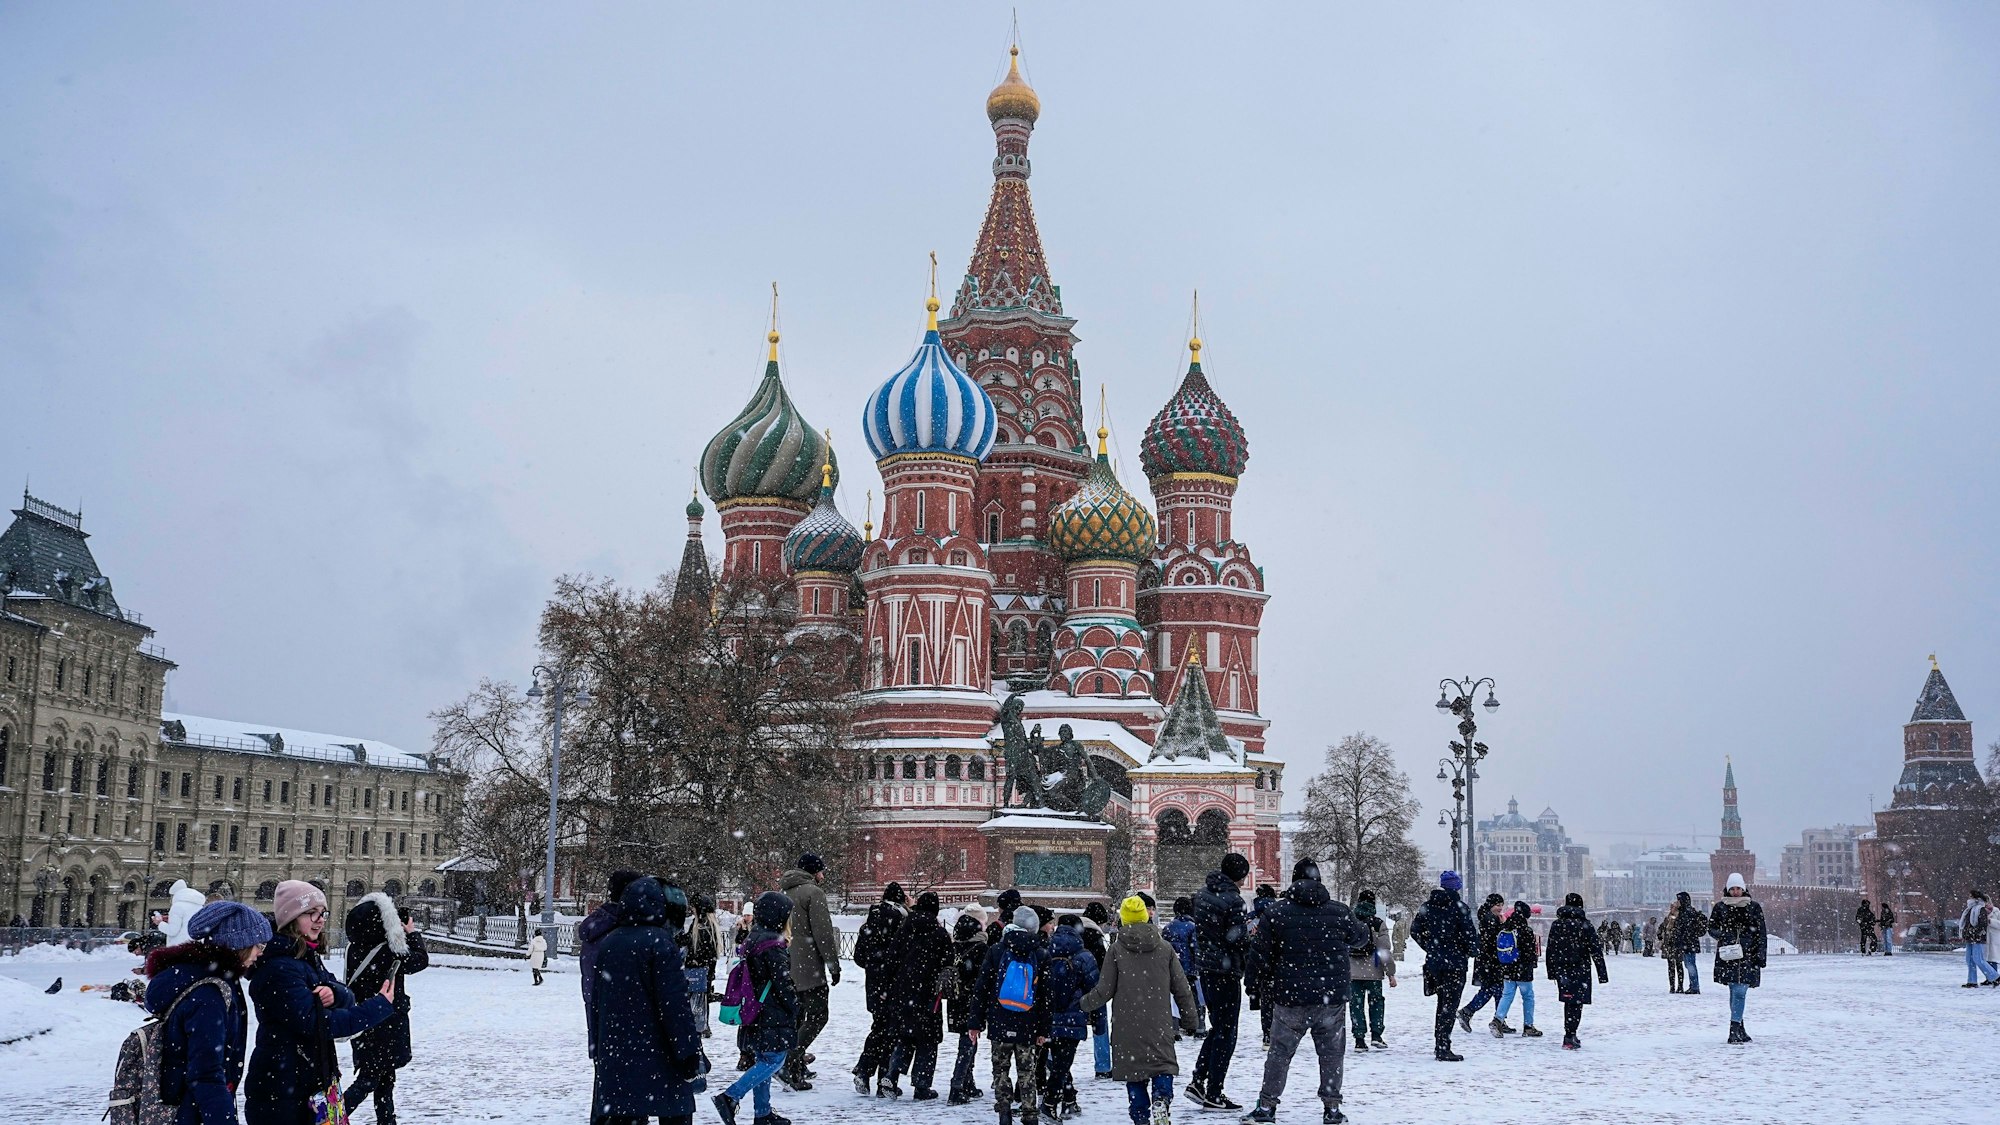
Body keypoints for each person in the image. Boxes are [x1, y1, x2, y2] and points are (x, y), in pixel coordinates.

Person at [244, 880, 394, 1125]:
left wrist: (334, 994)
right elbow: (317, 1023)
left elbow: (345, 994)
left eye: (322, 913)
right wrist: (375, 1008)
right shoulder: (279, 966)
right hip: (284, 1089)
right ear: (291, 918)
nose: (320, 919)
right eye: (310, 913)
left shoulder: (305, 955)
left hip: (316, 1082)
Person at [1242, 860, 1368, 1125]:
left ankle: (1267, 1106)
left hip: (1290, 996)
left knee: (1279, 1054)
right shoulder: (1339, 911)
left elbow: (1259, 953)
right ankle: (1332, 1108)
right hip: (1330, 997)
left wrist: (1252, 984)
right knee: (1331, 1054)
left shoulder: (1276, 913)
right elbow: (1360, 938)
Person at [144, 900, 272, 1125]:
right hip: (190, 1112)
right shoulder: (209, 994)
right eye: (259, 945)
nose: (261, 953)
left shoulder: (208, 979)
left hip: (185, 1107)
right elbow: (206, 1073)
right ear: (238, 944)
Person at [591, 877, 707, 1125]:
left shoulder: (610, 942)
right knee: (674, 1112)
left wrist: (597, 1047)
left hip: (618, 1054)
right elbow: (675, 1006)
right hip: (660, 1052)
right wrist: (688, 1053)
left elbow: (597, 1003)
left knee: (625, 1113)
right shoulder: (660, 943)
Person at [1082, 897, 1196, 1125]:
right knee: (1161, 1064)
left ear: (1123, 918)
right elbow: (1181, 987)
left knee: (1134, 1073)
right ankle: (1162, 1099)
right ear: (1146, 915)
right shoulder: (1164, 948)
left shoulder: (1115, 950)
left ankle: (1140, 1116)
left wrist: (1082, 1004)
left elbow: (1104, 990)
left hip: (1127, 1024)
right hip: (1159, 1021)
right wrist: (1190, 1018)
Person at [341, 892, 430, 1125]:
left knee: (383, 1079)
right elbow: (419, 960)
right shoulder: (387, 951)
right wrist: (411, 934)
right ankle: (332, 1116)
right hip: (386, 1024)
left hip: (364, 1021)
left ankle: (387, 1121)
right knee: (370, 1079)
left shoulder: (354, 948)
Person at [715, 891, 800, 1125]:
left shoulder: (754, 937)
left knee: (763, 1059)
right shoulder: (773, 943)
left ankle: (762, 1113)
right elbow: (782, 981)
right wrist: (794, 1005)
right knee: (775, 1060)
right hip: (771, 1011)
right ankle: (730, 1096)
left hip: (756, 1008)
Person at [969, 905, 1053, 1125]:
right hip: (1028, 1020)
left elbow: (982, 989)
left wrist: (975, 1023)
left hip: (1000, 1018)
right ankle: (1029, 1114)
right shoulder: (1041, 953)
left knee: (1001, 1069)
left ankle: (1004, 1113)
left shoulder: (997, 950)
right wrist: (1044, 1029)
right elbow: (1045, 997)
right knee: (1027, 1071)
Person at [1187, 852, 1252, 1111]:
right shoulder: (1234, 901)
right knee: (1227, 1032)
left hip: (1206, 968)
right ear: (1240, 876)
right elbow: (1236, 938)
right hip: (1226, 971)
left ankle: (1198, 1080)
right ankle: (1214, 1091)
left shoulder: (1202, 895)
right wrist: (1250, 944)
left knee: (1217, 1028)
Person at [882, 892, 954, 1100]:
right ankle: (922, 1085)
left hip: (903, 991)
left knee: (905, 1036)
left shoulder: (904, 928)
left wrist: (890, 987)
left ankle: (892, 1074)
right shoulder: (940, 934)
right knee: (928, 1039)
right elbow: (948, 962)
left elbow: (891, 959)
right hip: (929, 994)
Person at [778, 854, 840, 1090]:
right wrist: (833, 965)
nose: (823, 876)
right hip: (809, 969)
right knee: (818, 1016)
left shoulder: (784, 893)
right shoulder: (814, 893)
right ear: (813, 872)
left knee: (797, 1018)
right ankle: (790, 1060)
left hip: (787, 966)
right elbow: (823, 934)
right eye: (821, 871)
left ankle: (794, 1068)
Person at [1410, 871, 1479, 1062]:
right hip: (1455, 964)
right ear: (1456, 887)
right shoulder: (1460, 908)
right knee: (1449, 1004)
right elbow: (1470, 938)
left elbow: (1415, 930)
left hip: (1435, 963)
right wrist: (1467, 950)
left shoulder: (1427, 907)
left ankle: (1439, 1043)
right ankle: (1442, 1046)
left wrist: (1431, 947)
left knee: (1442, 1004)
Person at [1038, 915, 1100, 1121]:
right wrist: (1098, 1023)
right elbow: (1095, 993)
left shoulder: (1044, 951)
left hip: (1047, 1017)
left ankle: (1069, 1098)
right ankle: (1049, 1103)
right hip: (1073, 1018)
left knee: (1058, 1061)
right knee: (1062, 1063)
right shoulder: (1084, 956)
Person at [852, 882, 911, 1094]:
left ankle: (864, 1071)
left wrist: (874, 966)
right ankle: (885, 1080)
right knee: (892, 1032)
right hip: (894, 985)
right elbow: (904, 955)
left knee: (878, 1028)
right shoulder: (902, 921)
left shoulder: (869, 922)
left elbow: (859, 957)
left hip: (874, 985)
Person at [580, 870, 643, 1057]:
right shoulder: (626, 929)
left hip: (599, 1012)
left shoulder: (598, 926)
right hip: (626, 1016)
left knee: (604, 1071)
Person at [1709, 873, 1769, 1042]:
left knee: (1740, 991)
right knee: (1734, 990)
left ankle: (1735, 1028)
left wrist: (1761, 955)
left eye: (1738, 888)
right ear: (1728, 889)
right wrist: (1724, 935)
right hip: (1729, 955)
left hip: (1748, 955)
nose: (1735, 892)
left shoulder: (1753, 907)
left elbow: (1761, 933)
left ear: (1743, 889)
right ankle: (1737, 1028)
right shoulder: (1721, 907)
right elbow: (1711, 927)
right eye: (1732, 889)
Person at [1543, 893, 1608, 1050]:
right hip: (1580, 969)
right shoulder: (1585, 925)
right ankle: (1571, 1034)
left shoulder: (1557, 925)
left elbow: (1550, 949)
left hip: (1562, 970)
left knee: (1568, 1001)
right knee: (1577, 1003)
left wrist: (1551, 971)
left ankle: (1569, 1033)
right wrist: (1602, 974)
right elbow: (1596, 950)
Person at [946, 912, 991, 1105]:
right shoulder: (981, 948)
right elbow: (985, 978)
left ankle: (967, 1081)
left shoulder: (954, 947)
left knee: (968, 1041)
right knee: (968, 1043)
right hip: (974, 1001)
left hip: (956, 1001)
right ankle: (957, 1086)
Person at [1346, 890, 1396, 1051]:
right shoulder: (1378, 923)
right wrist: (1390, 973)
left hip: (1353, 970)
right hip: (1373, 969)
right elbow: (1384, 950)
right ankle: (1376, 1035)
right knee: (1376, 1003)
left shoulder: (1349, 921)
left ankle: (1359, 1039)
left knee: (1356, 1005)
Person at [1456, 894, 1506, 1033]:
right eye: (1497, 905)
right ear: (1491, 905)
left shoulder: (1488, 917)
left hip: (1488, 961)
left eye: (1501, 905)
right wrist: (1503, 926)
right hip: (1491, 961)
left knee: (1497, 990)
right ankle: (1468, 1011)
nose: (1500, 908)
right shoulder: (1489, 919)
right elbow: (1494, 940)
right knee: (1491, 990)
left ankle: (1500, 1019)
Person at [1490, 901, 1541, 1038]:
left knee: (1507, 995)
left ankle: (1498, 1019)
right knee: (1528, 996)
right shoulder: (1525, 930)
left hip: (1507, 967)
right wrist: (1532, 964)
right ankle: (1528, 1026)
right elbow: (1529, 952)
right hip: (1523, 969)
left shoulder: (1506, 927)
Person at [1078, 902, 1116, 1078]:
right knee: (1100, 1026)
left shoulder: (1074, 932)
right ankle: (1103, 1066)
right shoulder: (1096, 937)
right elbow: (1103, 967)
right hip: (1093, 989)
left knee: (1063, 1026)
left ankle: (1050, 1062)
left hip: (1071, 989)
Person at [1162, 898, 1201, 1041]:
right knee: (1193, 997)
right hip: (1189, 968)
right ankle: (1197, 1026)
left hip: (1172, 968)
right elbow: (1196, 949)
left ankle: (1174, 1028)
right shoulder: (1192, 927)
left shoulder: (1168, 927)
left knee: (1173, 999)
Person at [686, 893, 724, 1037]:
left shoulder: (702, 926)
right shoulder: (706, 924)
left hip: (700, 969)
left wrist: (693, 961)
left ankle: (701, 1025)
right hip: (705, 968)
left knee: (699, 996)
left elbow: (699, 948)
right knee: (702, 996)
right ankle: (702, 1025)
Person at [1668, 891, 1704, 995]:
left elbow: (1682, 928)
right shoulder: (1687, 911)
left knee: (1690, 965)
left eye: (1678, 900)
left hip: (1688, 943)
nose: (1676, 902)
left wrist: (1680, 938)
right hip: (1689, 942)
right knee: (1690, 964)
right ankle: (1693, 985)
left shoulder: (1686, 912)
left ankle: (1694, 986)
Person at [1959, 891, 1997, 988]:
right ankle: (1972, 981)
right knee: (1970, 960)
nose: (1969, 898)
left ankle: (1995, 977)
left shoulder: (1980, 909)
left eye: (1971, 896)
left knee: (1978, 959)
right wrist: (1965, 933)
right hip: (1970, 938)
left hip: (1978, 938)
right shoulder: (1969, 909)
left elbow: (1982, 924)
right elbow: (1966, 924)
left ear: (1976, 898)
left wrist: (1974, 932)